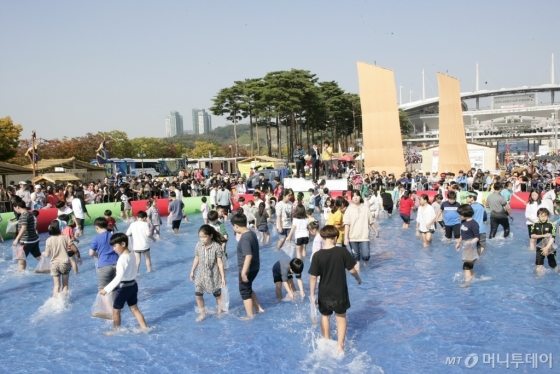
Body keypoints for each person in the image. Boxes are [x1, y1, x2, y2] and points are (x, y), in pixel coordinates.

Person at [309, 225, 362, 353]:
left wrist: (312, 295)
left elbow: (313, 278)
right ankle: (340, 346)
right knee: (341, 317)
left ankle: (325, 341)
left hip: (324, 292)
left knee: (325, 316)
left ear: (322, 237)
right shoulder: (342, 252)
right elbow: (352, 270)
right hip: (340, 292)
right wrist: (358, 278)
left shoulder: (317, 255)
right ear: (336, 237)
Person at [99, 233, 148, 334]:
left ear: (123, 244)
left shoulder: (122, 259)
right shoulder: (132, 254)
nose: (114, 249)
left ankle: (115, 331)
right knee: (135, 309)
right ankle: (145, 328)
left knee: (116, 311)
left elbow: (118, 278)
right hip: (133, 285)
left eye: (115, 246)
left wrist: (106, 289)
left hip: (124, 288)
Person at [190, 225, 227, 322]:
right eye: (200, 237)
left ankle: (219, 311)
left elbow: (219, 262)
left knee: (218, 295)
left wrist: (223, 277)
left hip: (213, 274)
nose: (202, 239)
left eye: (204, 237)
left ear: (210, 236)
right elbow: (197, 258)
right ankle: (202, 313)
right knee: (198, 294)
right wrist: (192, 270)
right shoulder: (198, 245)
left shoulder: (216, 247)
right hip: (201, 274)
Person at [232, 212, 264, 320]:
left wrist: (243, 272)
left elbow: (248, 256)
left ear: (236, 225)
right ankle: (259, 308)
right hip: (255, 267)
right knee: (248, 287)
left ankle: (250, 316)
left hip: (247, 268)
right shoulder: (251, 233)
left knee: (244, 291)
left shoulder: (244, 238)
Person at [343, 190, 379, 272]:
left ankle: (366, 265)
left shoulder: (365, 208)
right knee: (356, 256)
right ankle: (358, 273)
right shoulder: (349, 209)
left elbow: (371, 222)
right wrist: (346, 238)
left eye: (357, 196)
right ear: (351, 198)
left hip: (364, 236)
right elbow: (346, 225)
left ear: (360, 197)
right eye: (354, 196)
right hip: (353, 237)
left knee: (366, 256)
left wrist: (376, 231)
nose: (355, 198)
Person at [43, 220, 79, 298]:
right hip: (64, 263)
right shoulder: (65, 238)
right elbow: (75, 249)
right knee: (65, 285)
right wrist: (79, 257)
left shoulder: (48, 240)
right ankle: (64, 301)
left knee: (56, 286)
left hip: (54, 264)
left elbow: (46, 255)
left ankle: (56, 302)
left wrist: (42, 253)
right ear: (61, 228)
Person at [88, 218, 119, 291]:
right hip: (117, 264)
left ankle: (108, 303)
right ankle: (115, 303)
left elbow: (91, 253)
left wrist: (97, 254)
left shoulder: (96, 238)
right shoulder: (113, 236)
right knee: (115, 288)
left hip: (104, 265)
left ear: (96, 227)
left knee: (103, 290)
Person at [12, 200, 41, 271]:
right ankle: (49, 268)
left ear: (17, 207)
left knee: (21, 260)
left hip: (26, 241)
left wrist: (16, 239)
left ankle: (20, 276)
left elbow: (24, 228)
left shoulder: (24, 216)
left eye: (14, 209)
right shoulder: (29, 214)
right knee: (38, 256)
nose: (15, 211)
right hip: (34, 239)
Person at [455, 204, 480, 286]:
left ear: (465, 213)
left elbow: (477, 237)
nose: (459, 215)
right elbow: (462, 235)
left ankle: (467, 283)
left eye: (460, 214)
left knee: (466, 266)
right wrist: (458, 243)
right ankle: (475, 279)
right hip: (465, 246)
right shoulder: (463, 222)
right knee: (469, 266)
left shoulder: (474, 224)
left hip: (472, 247)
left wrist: (471, 242)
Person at [530, 207, 557, 273]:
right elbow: (532, 235)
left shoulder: (551, 225)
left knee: (552, 264)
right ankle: (538, 280)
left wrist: (547, 248)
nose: (543, 218)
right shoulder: (535, 225)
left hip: (550, 246)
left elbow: (553, 237)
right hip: (540, 247)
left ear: (548, 216)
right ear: (538, 216)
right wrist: (543, 235)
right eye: (541, 216)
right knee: (538, 265)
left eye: (545, 216)